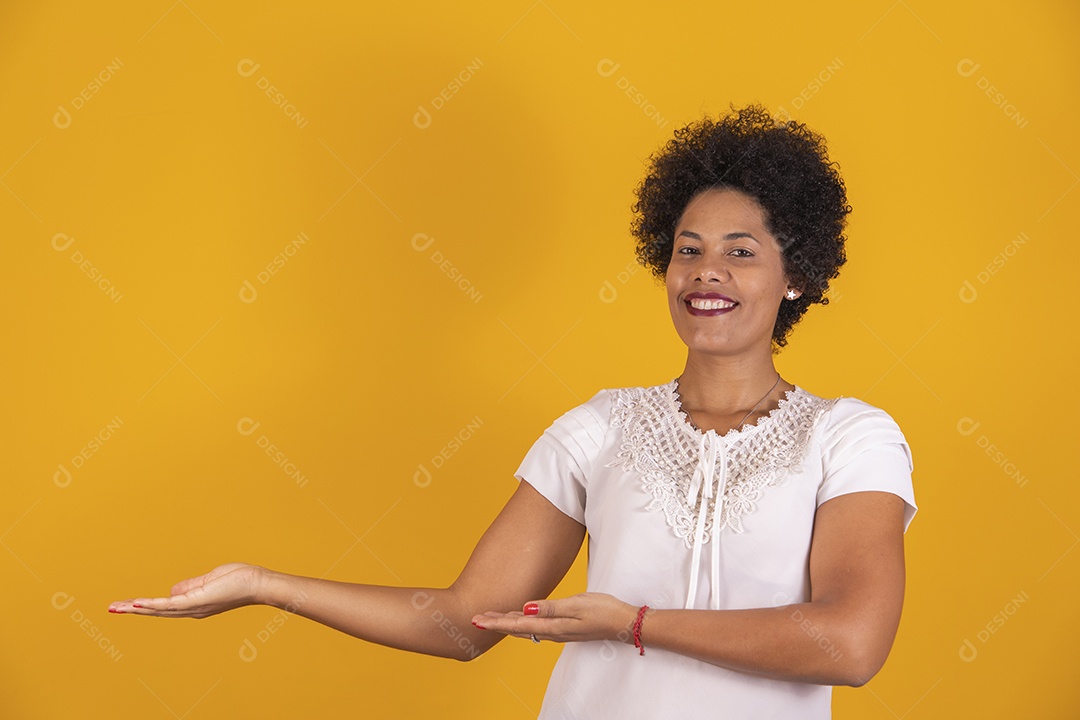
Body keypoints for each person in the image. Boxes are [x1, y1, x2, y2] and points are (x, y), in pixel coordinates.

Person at [109, 103, 917, 719]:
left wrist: (631, 623)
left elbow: (848, 645)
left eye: (742, 251)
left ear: (798, 275)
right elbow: (466, 624)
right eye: (687, 249)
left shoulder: (849, 439)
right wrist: (265, 585)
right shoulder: (598, 430)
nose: (707, 273)